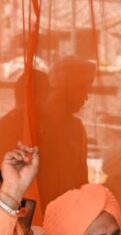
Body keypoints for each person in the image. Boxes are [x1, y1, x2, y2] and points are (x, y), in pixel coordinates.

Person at [37, 57, 95, 208]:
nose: (86, 97)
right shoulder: (27, 123)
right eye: (82, 88)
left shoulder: (77, 129)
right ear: (64, 87)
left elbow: (81, 181)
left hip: (67, 214)